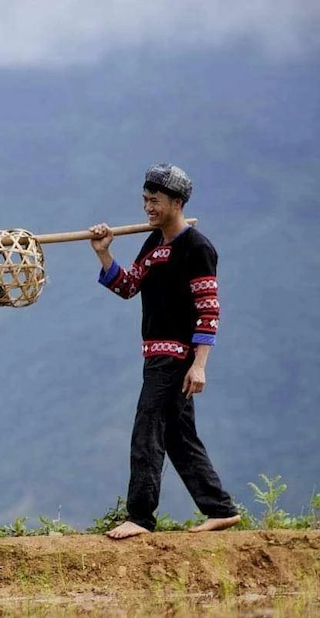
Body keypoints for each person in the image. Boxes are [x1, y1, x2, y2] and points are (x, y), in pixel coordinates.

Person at [89, 165, 240, 541]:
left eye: (155, 201)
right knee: (177, 436)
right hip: (155, 354)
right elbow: (127, 287)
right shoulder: (153, 244)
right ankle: (220, 509)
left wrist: (200, 365)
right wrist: (104, 254)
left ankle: (140, 517)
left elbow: (209, 310)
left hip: (177, 357)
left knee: (147, 429)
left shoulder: (198, 248)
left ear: (177, 203)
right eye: (145, 200)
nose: (148, 208)